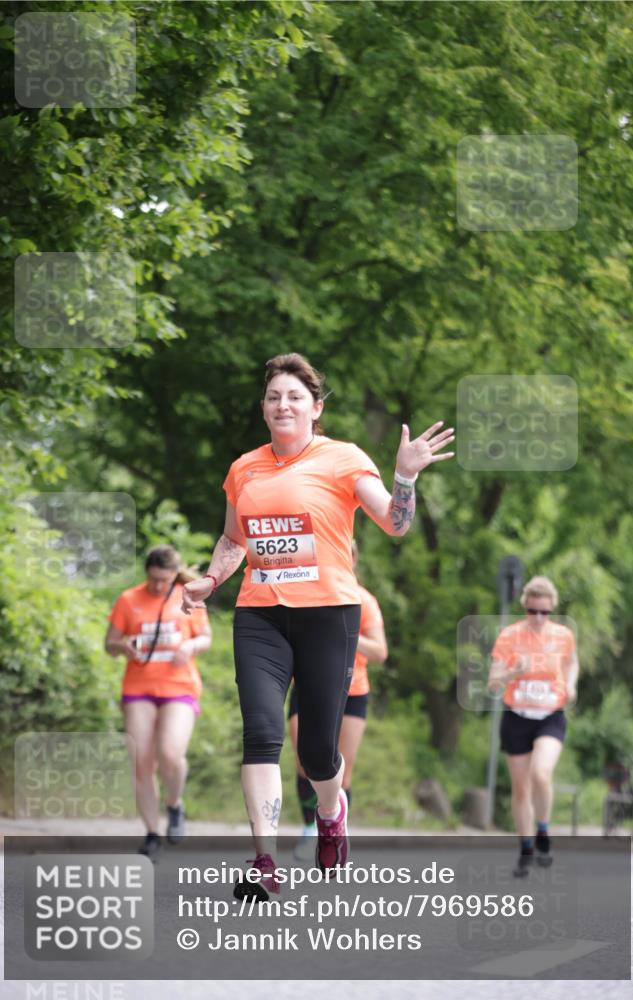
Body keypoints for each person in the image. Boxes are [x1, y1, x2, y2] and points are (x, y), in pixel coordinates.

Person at [182, 352, 454, 900]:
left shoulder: (343, 459)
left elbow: (395, 523)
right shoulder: (244, 468)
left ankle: (331, 810)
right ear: (264, 409)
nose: (284, 404)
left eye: (295, 397)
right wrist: (211, 580)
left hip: (329, 615)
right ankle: (265, 860)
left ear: (315, 408)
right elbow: (235, 540)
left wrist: (404, 475)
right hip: (260, 615)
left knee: (317, 753)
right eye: (274, 397)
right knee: (261, 732)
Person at [105, 545, 212, 859]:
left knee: (170, 753)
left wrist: (190, 646)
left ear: (174, 576)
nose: (158, 586)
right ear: (146, 573)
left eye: (164, 581)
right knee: (142, 761)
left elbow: (206, 638)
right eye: (153, 579)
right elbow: (109, 644)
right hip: (139, 687)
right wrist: (124, 648)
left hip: (179, 686)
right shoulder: (129, 599)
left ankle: (175, 804)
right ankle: (152, 832)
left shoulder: (188, 597)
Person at [288, 539, 388, 860]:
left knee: (341, 769)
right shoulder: (305, 592)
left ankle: (334, 831)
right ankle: (309, 829)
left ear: (354, 561)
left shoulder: (364, 601)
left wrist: (346, 633)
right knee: (306, 762)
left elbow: (381, 652)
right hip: (307, 684)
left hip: (352, 689)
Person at [487, 575, 579, 876]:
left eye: (545, 612)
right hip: (517, 717)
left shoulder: (563, 635)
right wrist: (513, 671)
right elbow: (492, 684)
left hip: (550, 716)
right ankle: (526, 848)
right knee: (521, 789)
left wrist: (572, 684)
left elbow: (572, 661)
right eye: (533, 611)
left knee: (541, 774)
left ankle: (543, 830)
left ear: (552, 610)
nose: (539, 618)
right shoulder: (509, 637)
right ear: (524, 608)